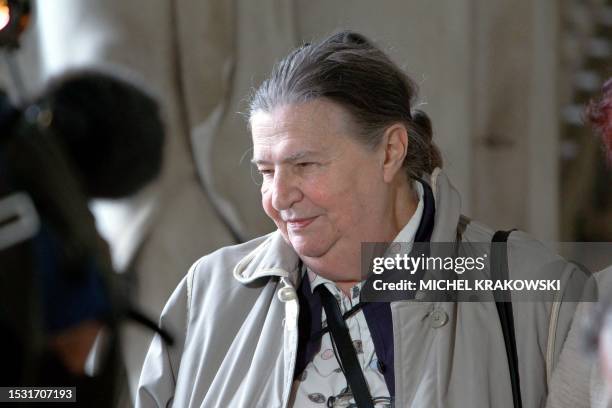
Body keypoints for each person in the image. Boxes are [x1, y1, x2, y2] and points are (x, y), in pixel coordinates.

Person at [136, 31, 581, 408]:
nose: (278, 196)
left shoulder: (538, 291)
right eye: (266, 172)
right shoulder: (208, 294)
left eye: (305, 165)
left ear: (390, 152)